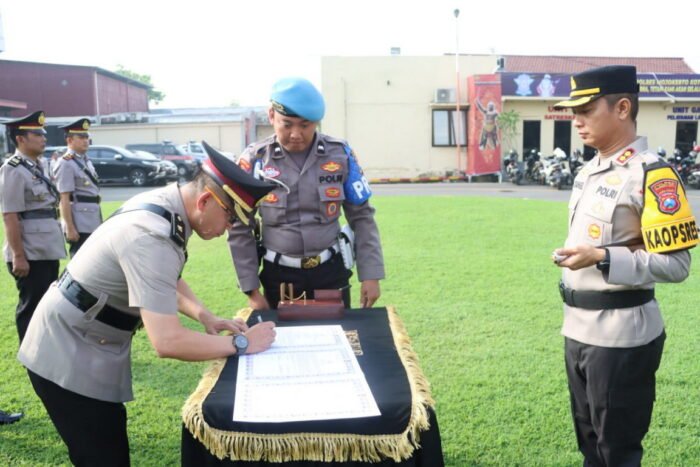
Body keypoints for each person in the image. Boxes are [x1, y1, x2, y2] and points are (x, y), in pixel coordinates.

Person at [17, 142, 277, 466]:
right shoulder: (152, 236)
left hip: (84, 338)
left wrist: (204, 316)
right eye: (230, 218)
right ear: (205, 200)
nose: (228, 230)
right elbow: (167, 341)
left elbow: (160, 278)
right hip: (68, 352)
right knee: (102, 455)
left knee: (107, 445)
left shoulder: (168, 205)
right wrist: (242, 343)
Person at [552, 65, 697, 466]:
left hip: (621, 338)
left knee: (617, 452)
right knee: (590, 444)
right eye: (572, 111)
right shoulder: (589, 170)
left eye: (585, 109)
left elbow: (678, 265)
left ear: (621, 107)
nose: (576, 120)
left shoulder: (652, 174)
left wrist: (602, 257)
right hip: (577, 328)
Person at [227, 77, 385, 310]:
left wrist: (370, 274)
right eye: (287, 124)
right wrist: (251, 289)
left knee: (337, 339)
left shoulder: (340, 155)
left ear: (317, 122)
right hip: (278, 276)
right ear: (271, 116)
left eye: (305, 124)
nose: (296, 134)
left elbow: (362, 216)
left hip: (330, 272)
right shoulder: (254, 160)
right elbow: (240, 225)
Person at [0, 110, 65, 342]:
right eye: (37, 133)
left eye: (44, 133)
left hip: (46, 247)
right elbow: (10, 216)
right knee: (32, 305)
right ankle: (30, 351)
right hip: (29, 252)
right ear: (20, 139)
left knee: (47, 303)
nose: (43, 137)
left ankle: (44, 347)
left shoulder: (39, 165)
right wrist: (18, 256)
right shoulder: (13, 168)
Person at [52, 118, 102, 256]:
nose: (86, 140)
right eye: (81, 137)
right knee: (81, 261)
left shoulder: (85, 160)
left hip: (92, 218)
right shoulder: (66, 163)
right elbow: (64, 197)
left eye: (87, 137)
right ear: (69, 140)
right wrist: (69, 227)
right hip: (79, 223)